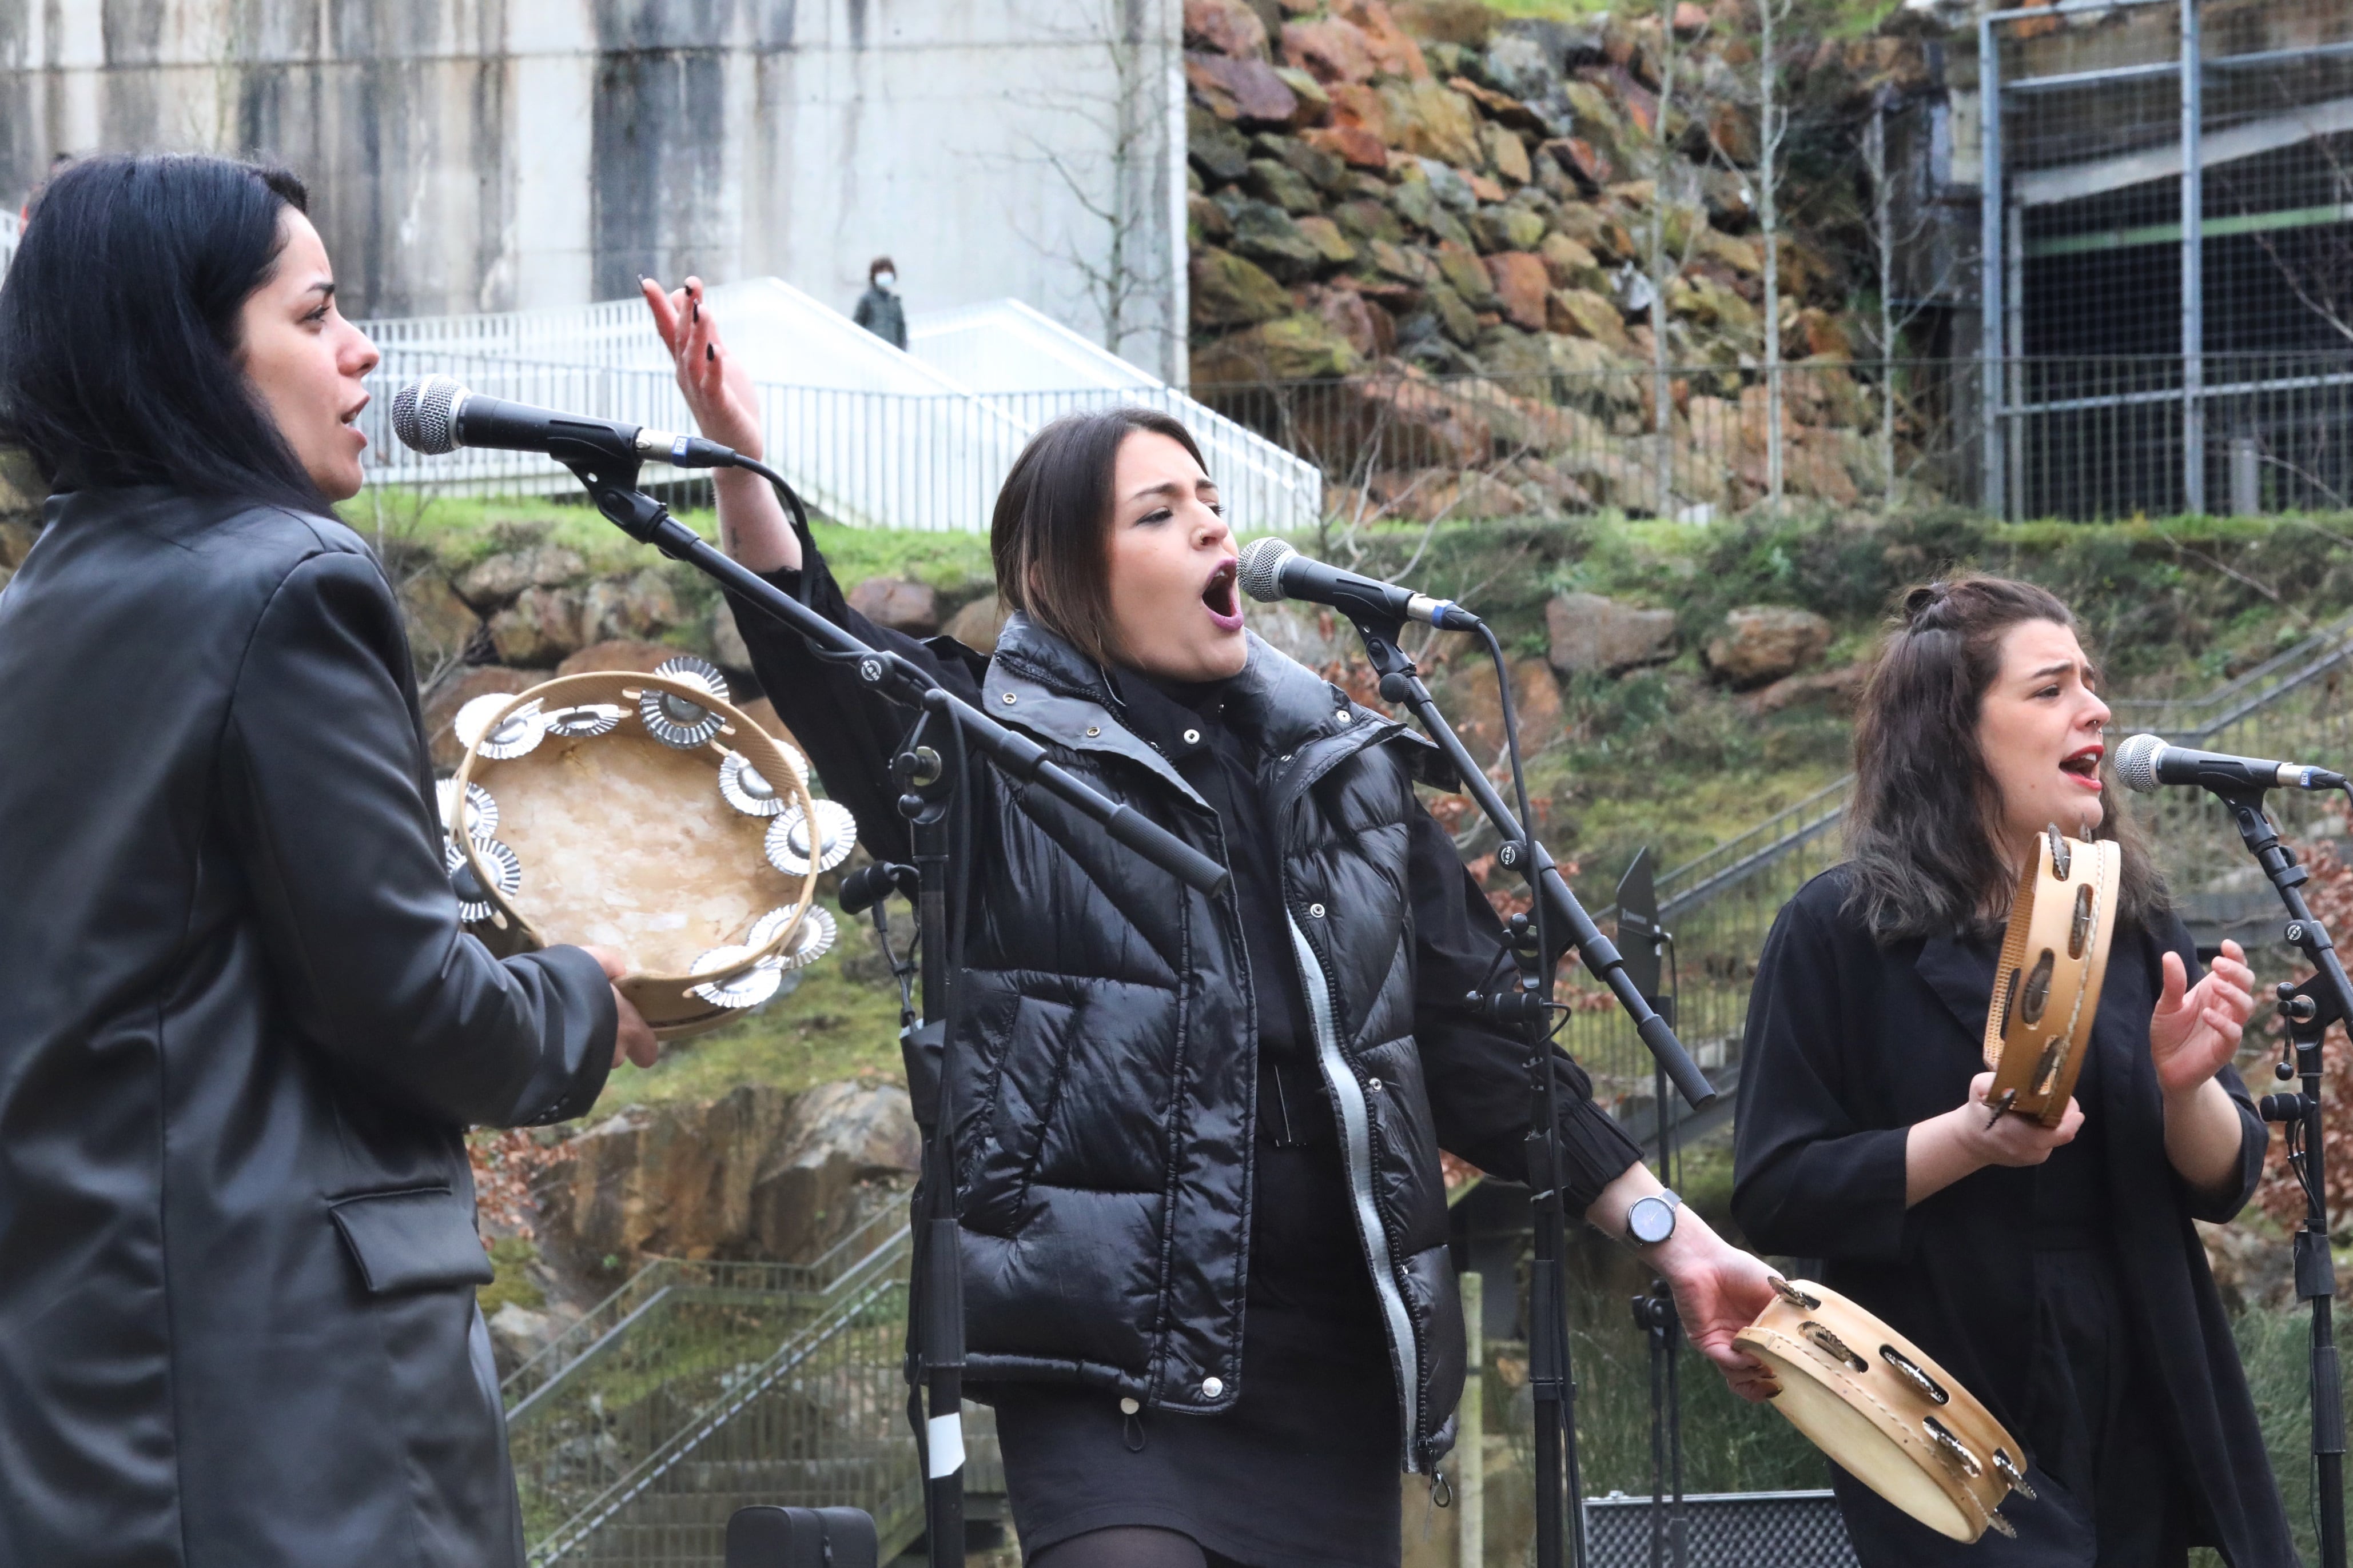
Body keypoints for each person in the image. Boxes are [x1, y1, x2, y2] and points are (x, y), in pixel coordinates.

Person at [638, 272, 1782, 1568]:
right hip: (1113, 1358)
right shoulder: (1000, 754)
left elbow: (1481, 1052)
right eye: (1156, 510)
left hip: (1329, 1365)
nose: (1206, 527)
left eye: (1211, 504)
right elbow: (828, 662)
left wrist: (1670, 1234)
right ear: (1061, 571)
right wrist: (739, 459)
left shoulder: (1343, 773)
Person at [0, 154, 656, 1567]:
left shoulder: (40, 609)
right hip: (300, 1411)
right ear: (192, 350)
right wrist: (578, 997)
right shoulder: (289, 579)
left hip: (86, 1395)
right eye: (314, 315)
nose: (362, 351)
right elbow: (402, 997)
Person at [1731, 575, 2293, 1567]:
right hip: (1945, 1398)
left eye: (2091, 680)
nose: (2097, 709)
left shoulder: (2131, 917)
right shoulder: (1838, 929)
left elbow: (2226, 1176)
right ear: (1955, 733)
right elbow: (1778, 1190)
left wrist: (2186, 1083)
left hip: (2138, 1366)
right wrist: (1968, 1141)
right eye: (2050, 688)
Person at [853, 254, 907, 350]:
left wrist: (902, 350)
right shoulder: (866, 299)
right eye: (881, 272)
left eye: (888, 272)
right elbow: (857, 326)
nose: (885, 275)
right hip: (872, 351)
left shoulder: (895, 300)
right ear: (874, 275)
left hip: (892, 351)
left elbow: (901, 328)